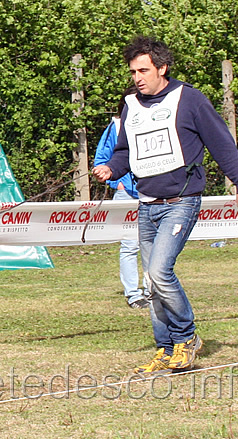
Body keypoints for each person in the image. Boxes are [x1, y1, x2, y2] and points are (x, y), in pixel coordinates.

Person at [92, 36, 238, 376]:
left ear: (162, 68)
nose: (137, 77)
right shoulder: (130, 106)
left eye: (144, 70)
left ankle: (187, 336)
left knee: (159, 272)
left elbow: (222, 144)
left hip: (181, 201)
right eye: (133, 71)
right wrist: (111, 168)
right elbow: (124, 152)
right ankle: (165, 349)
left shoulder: (190, 99)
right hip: (146, 204)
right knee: (152, 285)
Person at [93, 85, 149, 310]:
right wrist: (117, 181)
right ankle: (133, 294)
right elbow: (101, 160)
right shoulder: (115, 127)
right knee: (129, 245)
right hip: (126, 193)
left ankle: (153, 290)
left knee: (151, 245)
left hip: (152, 192)